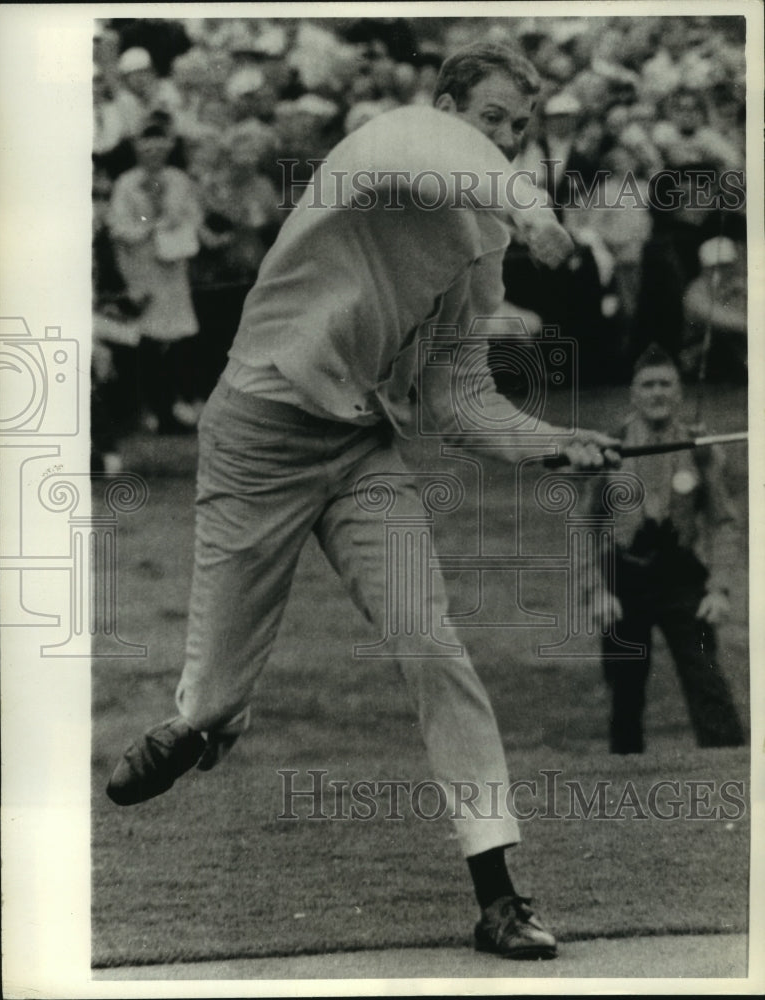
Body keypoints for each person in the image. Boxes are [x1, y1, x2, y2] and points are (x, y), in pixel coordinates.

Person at [106, 41, 621, 961]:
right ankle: (206, 720)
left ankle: (499, 894)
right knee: (218, 697)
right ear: (446, 100)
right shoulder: (388, 144)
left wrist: (553, 443)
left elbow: (457, 396)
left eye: (520, 129)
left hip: (359, 446)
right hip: (260, 428)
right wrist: (539, 212)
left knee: (434, 646)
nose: (504, 140)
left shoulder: (484, 237)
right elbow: (450, 156)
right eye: (493, 118)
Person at [590, 344, 745, 754]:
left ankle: (731, 779)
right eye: (648, 384)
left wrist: (720, 588)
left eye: (666, 384)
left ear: (678, 392)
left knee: (707, 682)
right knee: (625, 694)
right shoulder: (610, 447)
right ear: (633, 393)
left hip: (680, 579)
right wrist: (597, 590)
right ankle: (625, 787)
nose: (657, 393)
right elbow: (585, 525)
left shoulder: (701, 446)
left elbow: (724, 520)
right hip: (625, 580)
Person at [108, 121, 202, 433]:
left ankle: (178, 407)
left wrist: (177, 225)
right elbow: (118, 226)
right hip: (142, 268)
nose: (154, 156)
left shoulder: (178, 180)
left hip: (173, 267)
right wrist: (150, 226)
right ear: (138, 150)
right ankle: (151, 409)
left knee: (177, 337)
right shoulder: (126, 183)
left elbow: (192, 215)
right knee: (146, 337)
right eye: (147, 150)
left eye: (160, 150)